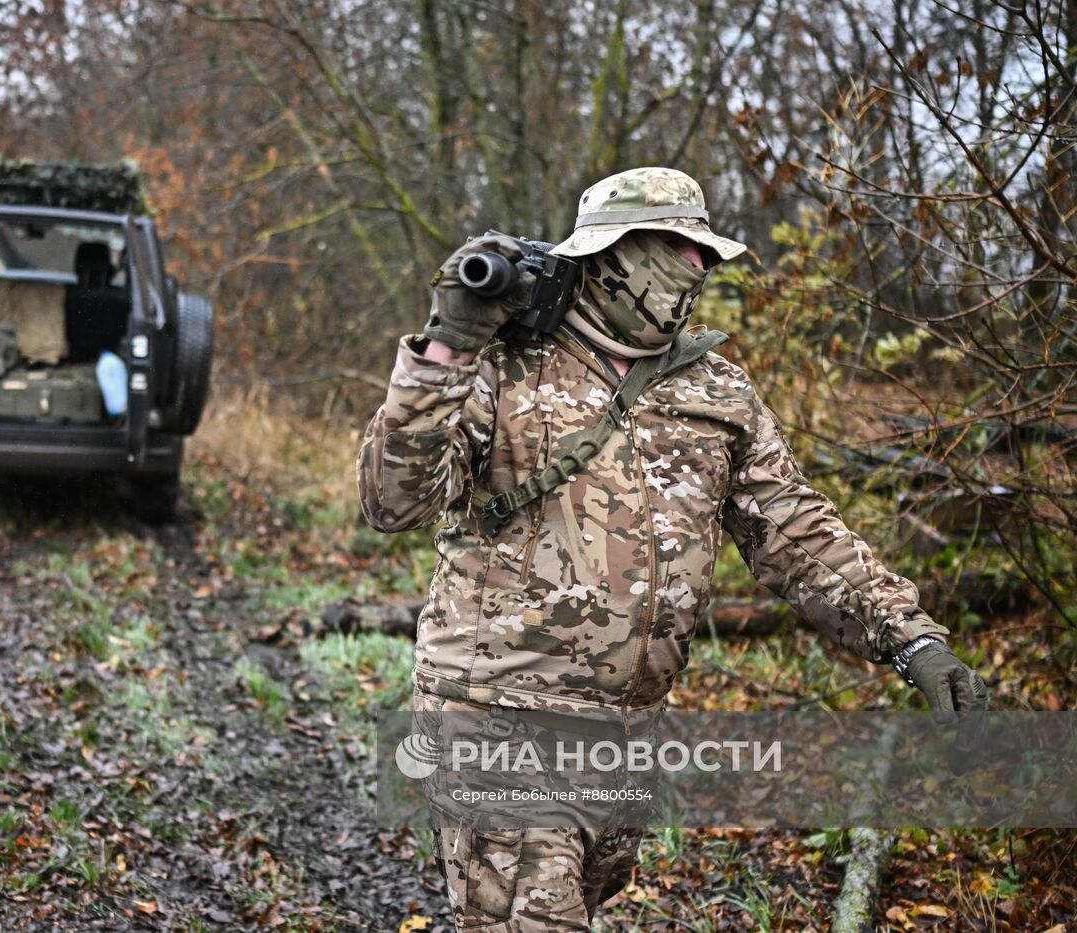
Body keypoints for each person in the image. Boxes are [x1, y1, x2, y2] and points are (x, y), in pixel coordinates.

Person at [355, 166, 988, 930]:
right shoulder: (501, 368)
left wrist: (910, 638)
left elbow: (794, 529)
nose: (697, 270)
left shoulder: (715, 391)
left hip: (626, 734)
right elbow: (394, 500)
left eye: (705, 256)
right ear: (613, 254)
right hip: (502, 718)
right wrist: (448, 349)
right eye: (677, 249)